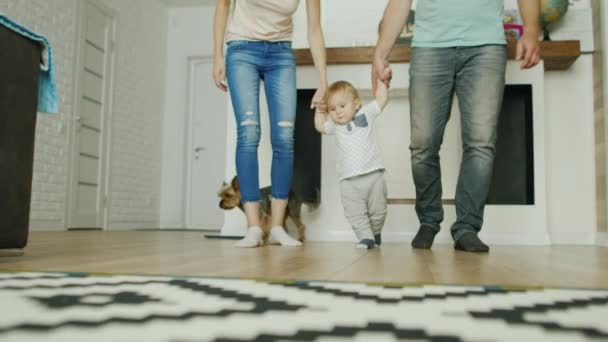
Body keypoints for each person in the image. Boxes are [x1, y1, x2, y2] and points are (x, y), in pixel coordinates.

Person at [373, 0, 541, 252]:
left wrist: (530, 29)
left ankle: (467, 227)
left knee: (480, 142)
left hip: (486, 46)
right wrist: (380, 52)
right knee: (423, 143)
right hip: (430, 46)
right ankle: (429, 220)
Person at [213, 0, 327, 248]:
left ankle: (276, 227)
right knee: (249, 132)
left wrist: (323, 80)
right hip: (242, 49)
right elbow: (223, 5)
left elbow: (314, 29)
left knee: (285, 138)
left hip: (281, 53)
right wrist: (217, 56)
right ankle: (253, 227)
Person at [314, 79, 389, 249]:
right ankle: (366, 238)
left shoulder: (366, 114)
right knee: (354, 213)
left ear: (356, 104)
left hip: (374, 175)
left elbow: (382, 99)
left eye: (342, 106)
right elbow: (319, 126)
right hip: (348, 180)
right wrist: (320, 110)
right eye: (332, 109)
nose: (338, 112)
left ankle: (375, 233)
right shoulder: (334, 125)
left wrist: (382, 81)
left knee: (378, 212)